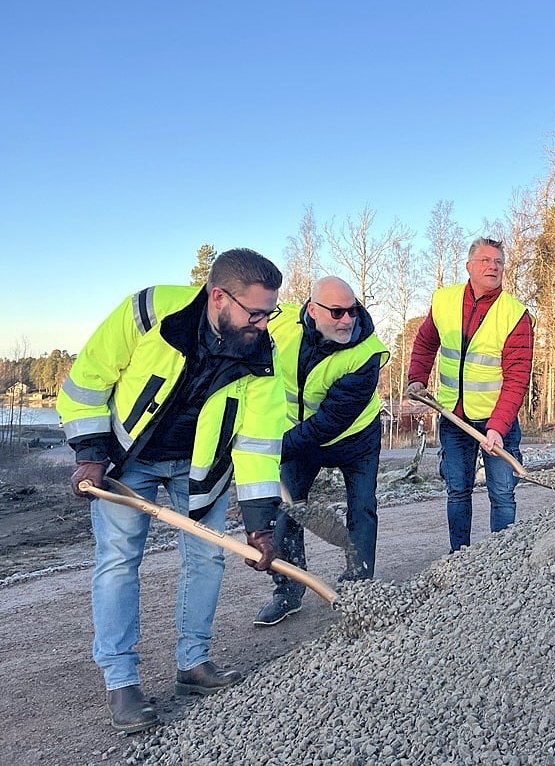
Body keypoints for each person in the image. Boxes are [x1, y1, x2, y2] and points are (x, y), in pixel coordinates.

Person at [56, 248, 287, 734]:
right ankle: (122, 682)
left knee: (207, 558)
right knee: (119, 560)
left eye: (271, 312)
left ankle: (194, 664)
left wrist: (260, 525)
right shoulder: (149, 313)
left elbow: (259, 444)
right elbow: (87, 380)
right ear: (217, 296)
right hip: (127, 458)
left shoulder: (262, 357)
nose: (264, 324)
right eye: (256, 312)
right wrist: (90, 454)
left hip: (200, 467)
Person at [253, 276, 390, 627]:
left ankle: (359, 585)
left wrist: (275, 448)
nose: (347, 320)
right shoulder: (280, 328)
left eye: (352, 311)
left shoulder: (366, 354)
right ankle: (288, 589)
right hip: (297, 436)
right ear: (312, 311)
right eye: (337, 312)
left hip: (355, 439)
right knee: (288, 509)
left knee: (362, 507)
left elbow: (328, 423)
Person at [406, 237, 534, 553]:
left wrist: (498, 427)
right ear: (469, 266)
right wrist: (416, 378)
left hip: (497, 422)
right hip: (454, 418)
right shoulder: (445, 301)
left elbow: (517, 378)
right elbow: (425, 342)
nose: (493, 266)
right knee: (458, 491)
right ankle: (459, 557)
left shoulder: (514, 315)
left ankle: (500, 560)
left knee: (503, 493)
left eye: (499, 262)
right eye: (486, 260)